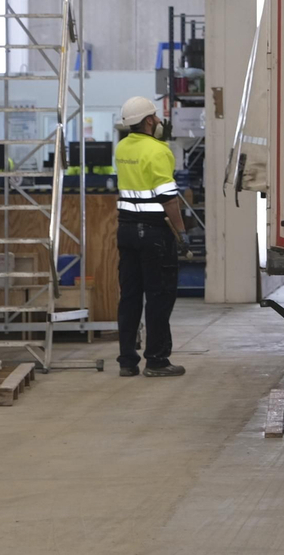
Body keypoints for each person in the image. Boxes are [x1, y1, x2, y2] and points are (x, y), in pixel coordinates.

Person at [113, 96, 188, 377]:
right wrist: (181, 232)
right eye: (155, 117)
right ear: (147, 121)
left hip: (126, 230)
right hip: (154, 233)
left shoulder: (122, 148)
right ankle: (156, 360)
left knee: (130, 297)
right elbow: (168, 198)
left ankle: (127, 361)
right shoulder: (159, 151)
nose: (157, 121)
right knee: (159, 296)